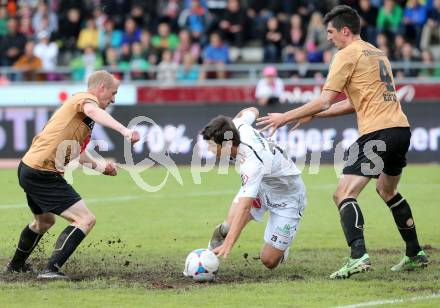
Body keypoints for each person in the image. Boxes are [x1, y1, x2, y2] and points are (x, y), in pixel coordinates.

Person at [256, 5, 428, 279]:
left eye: (331, 32)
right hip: (400, 129)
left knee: (343, 193)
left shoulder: (345, 54)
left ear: (345, 31)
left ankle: (358, 256)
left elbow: (326, 98)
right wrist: (315, 114)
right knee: (387, 191)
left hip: (377, 133)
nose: (329, 37)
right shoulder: (376, 52)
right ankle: (414, 252)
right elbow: (353, 102)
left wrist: (286, 117)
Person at [5, 70, 140, 280]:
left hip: (29, 168)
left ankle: (16, 266)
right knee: (85, 219)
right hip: (43, 172)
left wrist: (101, 167)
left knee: (44, 222)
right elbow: (93, 110)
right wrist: (125, 131)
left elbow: (77, 152)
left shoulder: (83, 118)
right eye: (113, 93)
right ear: (101, 88)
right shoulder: (84, 99)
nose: (113, 99)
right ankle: (51, 269)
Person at [202, 107, 306, 269]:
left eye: (212, 145)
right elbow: (253, 110)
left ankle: (281, 248)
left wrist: (229, 244)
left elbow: (244, 207)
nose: (209, 149)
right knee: (227, 228)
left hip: (287, 197)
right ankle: (205, 258)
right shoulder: (237, 125)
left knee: (269, 261)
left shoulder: (251, 162)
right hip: (261, 187)